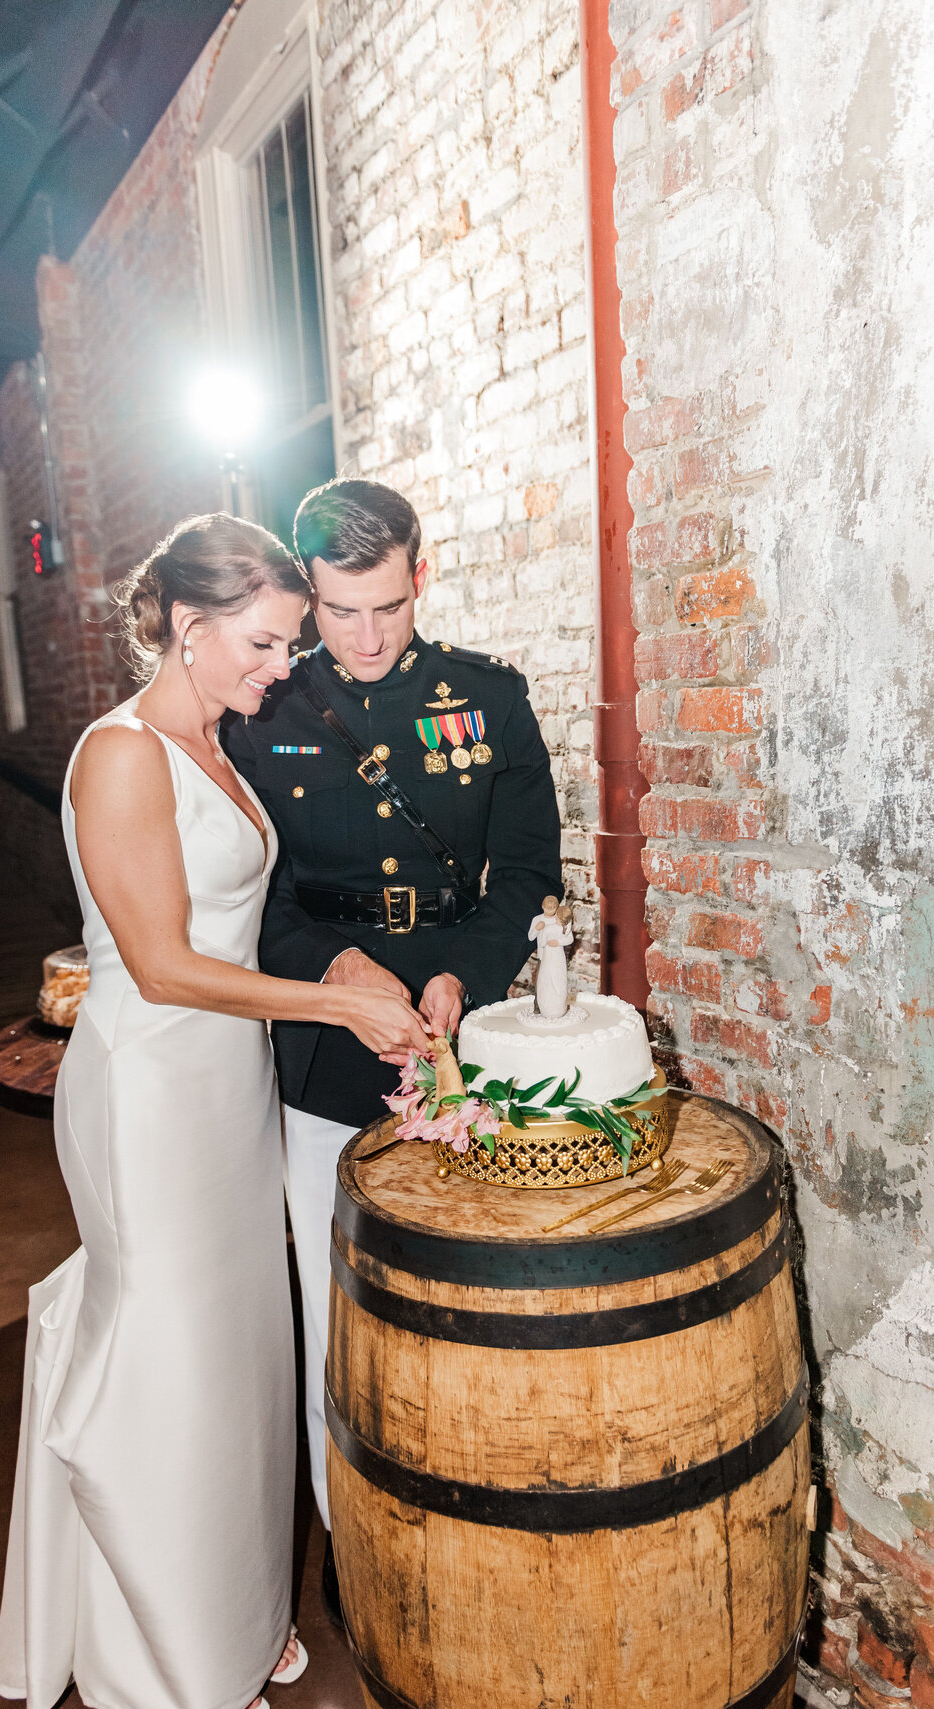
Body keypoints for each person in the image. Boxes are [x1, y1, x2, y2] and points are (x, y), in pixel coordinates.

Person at [0, 514, 428, 1709]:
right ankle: (170, 1661)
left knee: (239, 1360)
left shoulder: (219, 741)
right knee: (172, 1363)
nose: (283, 664)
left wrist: (333, 976)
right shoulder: (122, 755)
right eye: (265, 640)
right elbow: (166, 966)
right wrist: (333, 1005)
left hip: (224, 1087)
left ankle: (232, 1611)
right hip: (150, 1092)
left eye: (290, 642)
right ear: (188, 628)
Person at [223, 478, 563, 1620]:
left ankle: (478, 1529)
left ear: (422, 571)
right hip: (322, 1050)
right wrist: (332, 968)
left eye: (386, 607)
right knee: (340, 1304)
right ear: (307, 595)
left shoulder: (488, 699)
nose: (364, 640)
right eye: (337, 611)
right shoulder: (263, 704)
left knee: (471, 1296)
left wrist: (457, 972)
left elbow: (521, 872)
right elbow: (240, 887)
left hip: (458, 1034)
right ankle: (354, 1549)